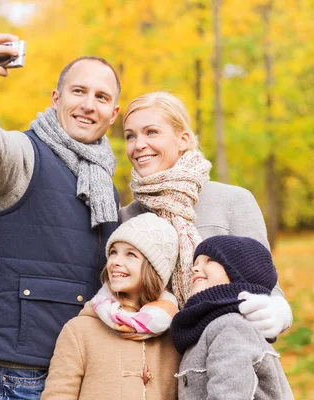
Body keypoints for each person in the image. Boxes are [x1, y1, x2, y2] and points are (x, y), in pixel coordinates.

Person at [0, 33, 122, 399]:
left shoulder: (105, 186)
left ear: (113, 114)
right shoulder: (22, 158)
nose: (89, 105)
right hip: (25, 375)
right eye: (79, 92)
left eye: (101, 97)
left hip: (88, 373)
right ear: (56, 98)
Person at [120, 91, 293, 339]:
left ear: (183, 139)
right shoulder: (127, 217)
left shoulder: (233, 201)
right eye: (130, 136)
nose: (138, 145)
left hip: (220, 353)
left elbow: (267, 285)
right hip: (150, 365)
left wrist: (278, 312)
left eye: (151, 132)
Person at [41, 213, 182, 399]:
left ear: (154, 268)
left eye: (131, 254)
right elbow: (58, 394)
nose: (115, 262)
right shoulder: (79, 330)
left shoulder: (174, 335)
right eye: (113, 252)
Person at [171, 235, 294, 399]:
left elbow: (229, 394)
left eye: (209, 260)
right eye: (195, 263)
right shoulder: (208, 327)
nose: (195, 268)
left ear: (239, 273)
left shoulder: (230, 326)